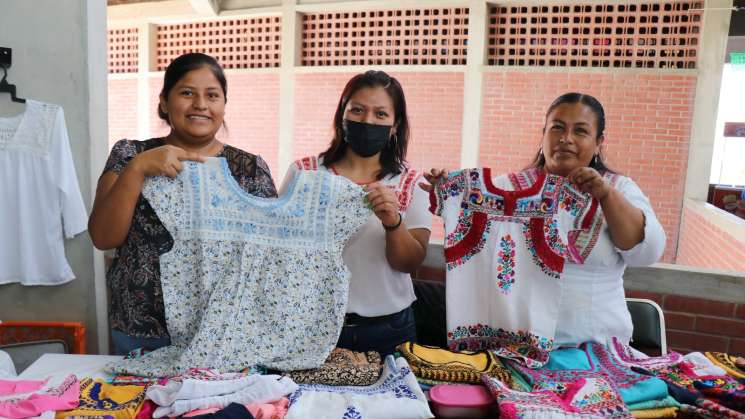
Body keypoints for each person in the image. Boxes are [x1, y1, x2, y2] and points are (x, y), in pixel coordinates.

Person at [423, 92, 666, 347]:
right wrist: (449, 192)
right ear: (544, 134)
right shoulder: (511, 188)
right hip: (516, 347)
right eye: (557, 128)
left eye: (580, 131)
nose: (566, 139)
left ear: (598, 142)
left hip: (595, 347)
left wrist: (605, 195)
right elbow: (470, 224)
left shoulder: (620, 189)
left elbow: (647, 252)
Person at [89, 53, 277, 355]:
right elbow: (103, 237)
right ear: (164, 101)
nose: (201, 104)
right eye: (187, 93)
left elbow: (271, 256)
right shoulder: (130, 154)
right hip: (140, 332)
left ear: (223, 105)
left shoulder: (249, 169)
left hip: (221, 334)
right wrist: (138, 170)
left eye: (212, 95)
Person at [280, 70, 432, 357]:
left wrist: (393, 222)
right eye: (358, 110)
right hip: (310, 326)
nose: (367, 121)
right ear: (342, 114)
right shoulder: (304, 174)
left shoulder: (411, 181)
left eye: (380, 114)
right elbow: (279, 248)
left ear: (395, 124)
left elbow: (410, 262)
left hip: (388, 329)